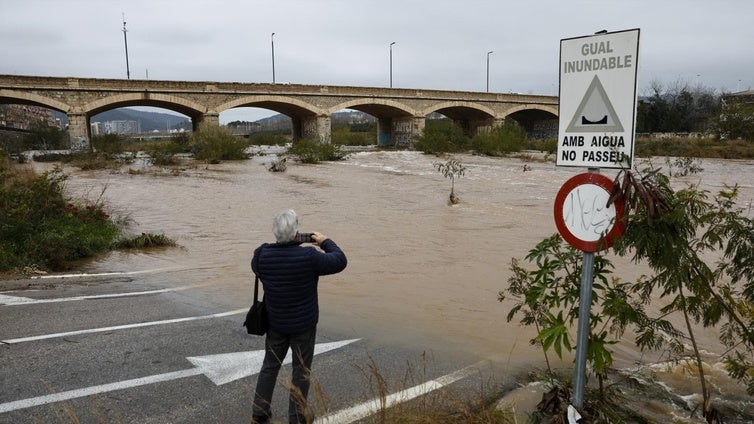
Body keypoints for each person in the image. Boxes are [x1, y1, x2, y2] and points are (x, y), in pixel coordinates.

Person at [251, 209, 347, 424]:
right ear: (297, 234)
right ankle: (296, 417)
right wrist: (324, 241)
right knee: (301, 370)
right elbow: (340, 261)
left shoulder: (261, 255)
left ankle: (259, 413)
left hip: (275, 323)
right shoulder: (309, 256)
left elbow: (256, 266)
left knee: (269, 366)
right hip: (303, 326)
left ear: (275, 233)